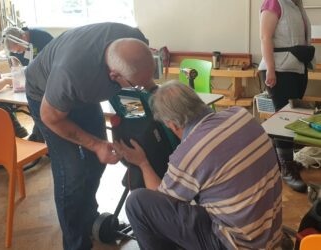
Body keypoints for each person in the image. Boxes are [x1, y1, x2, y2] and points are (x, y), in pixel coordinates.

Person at [24, 22, 156, 250]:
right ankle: (75, 243)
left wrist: (137, 125)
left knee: (96, 163)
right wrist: (95, 144)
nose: (144, 87)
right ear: (113, 74)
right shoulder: (73, 75)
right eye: (137, 86)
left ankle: (88, 217)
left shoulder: (133, 41)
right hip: (46, 99)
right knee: (71, 173)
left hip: (80, 90)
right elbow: (51, 117)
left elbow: (131, 93)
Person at [114, 81, 283, 250]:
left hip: (236, 245)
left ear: (172, 124)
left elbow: (160, 202)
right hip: (271, 235)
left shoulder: (191, 152)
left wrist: (143, 163)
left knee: (136, 203)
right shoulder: (242, 115)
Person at [258, 0, 312, 193]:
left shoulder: (296, 5)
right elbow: (265, 37)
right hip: (279, 69)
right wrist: (271, 69)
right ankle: (286, 169)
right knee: (284, 120)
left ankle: (278, 163)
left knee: (293, 117)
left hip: (297, 68)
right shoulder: (274, 2)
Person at [2, 26, 54, 142]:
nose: (19, 52)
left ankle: (38, 137)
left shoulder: (42, 37)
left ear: (24, 37)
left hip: (50, 81)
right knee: (36, 108)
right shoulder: (14, 47)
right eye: (16, 51)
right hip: (32, 85)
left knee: (42, 109)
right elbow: (19, 69)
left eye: (19, 50)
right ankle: (38, 138)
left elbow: (55, 60)